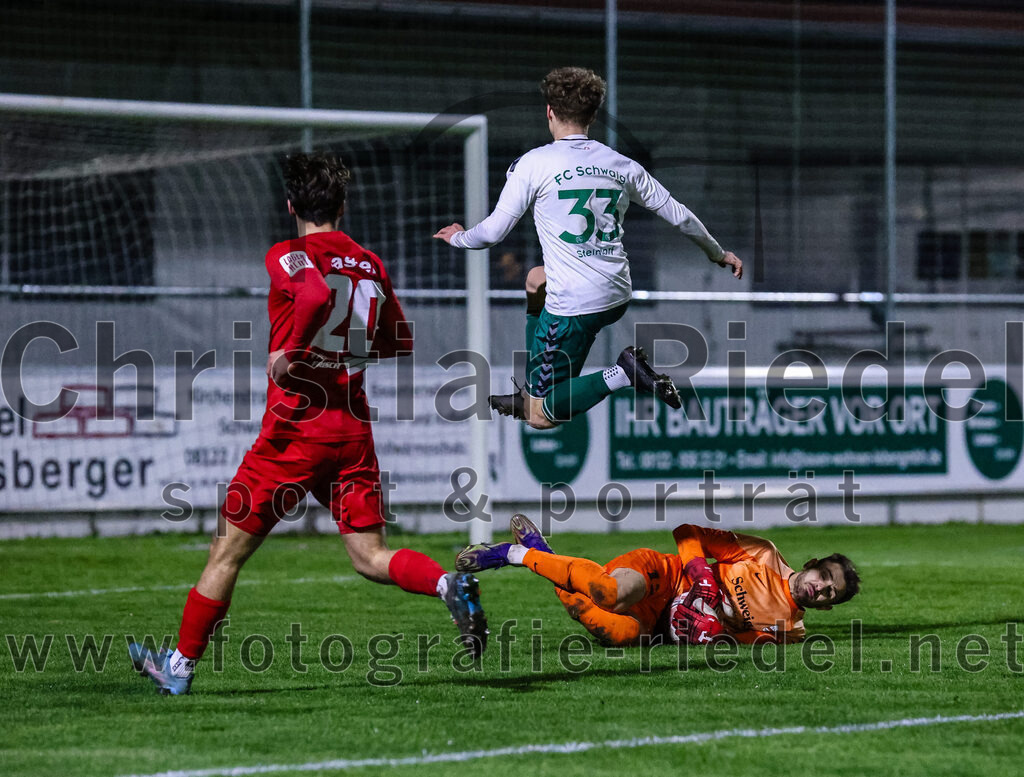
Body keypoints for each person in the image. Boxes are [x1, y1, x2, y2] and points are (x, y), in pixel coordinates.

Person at [129, 152, 487, 695]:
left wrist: (291, 355)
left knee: (225, 552)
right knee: (368, 556)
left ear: (291, 205)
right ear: (342, 206)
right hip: (352, 432)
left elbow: (316, 293)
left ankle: (177, 668)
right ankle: (447, 583)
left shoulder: (288, 253)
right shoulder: (369, 262)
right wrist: (346, 354)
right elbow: (400, 340)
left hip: (294, 432)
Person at [433, 66, 743, 429]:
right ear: (593, 116)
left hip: (575, 305)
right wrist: (718, 253)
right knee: (536, 279)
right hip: (616, 290)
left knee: (542, 417)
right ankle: (534, 388)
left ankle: (622, 374)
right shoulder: (621, 164)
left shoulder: (534, 164)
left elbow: (491, 234)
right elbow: (679, 215)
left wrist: (457, 235)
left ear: (549, 111)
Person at [457, 515, 859, 646]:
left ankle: (541, 554)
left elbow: (733, 641)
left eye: (830, 593)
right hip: (664, 576)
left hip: (665, 625)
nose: (821, 587)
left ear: (826, 606)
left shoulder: (791, 630)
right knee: (609, 592)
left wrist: (712, 630)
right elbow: (687, 532)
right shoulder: (764, 554)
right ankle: (512, 554)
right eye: (824, 576)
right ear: (811, 564)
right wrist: (701, 575)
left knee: (602, 624)